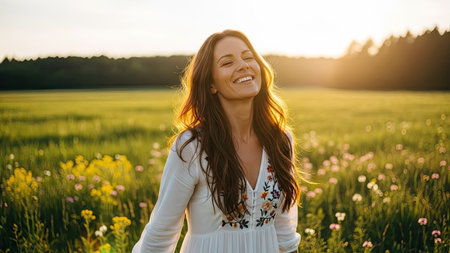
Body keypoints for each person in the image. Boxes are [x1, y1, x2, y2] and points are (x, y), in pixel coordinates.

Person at [133, 29, 301, 253]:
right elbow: (161, 233)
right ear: (211, 84)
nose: (243, 65)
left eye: (248, 57)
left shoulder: (281, 141)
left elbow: (285, 231)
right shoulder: (193, 146)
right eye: (227, 62)